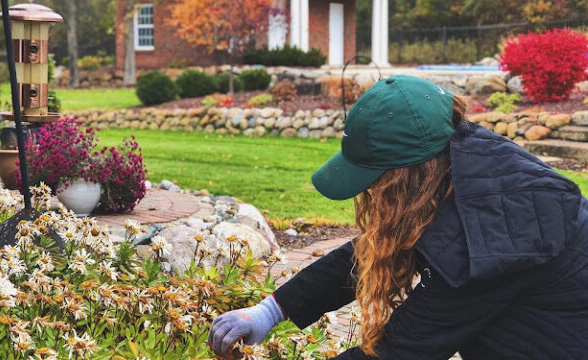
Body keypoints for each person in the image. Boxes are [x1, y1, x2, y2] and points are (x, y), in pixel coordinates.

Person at [208, 75, 588, 359]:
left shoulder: (491, 245)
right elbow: (376, 246)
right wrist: (269, 311)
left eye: (376, 181)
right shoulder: (462, 160)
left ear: (408, 175)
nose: (371, 193)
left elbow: (402, 351)